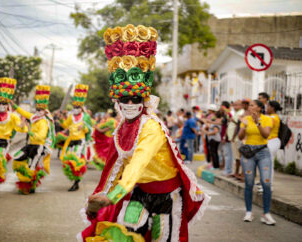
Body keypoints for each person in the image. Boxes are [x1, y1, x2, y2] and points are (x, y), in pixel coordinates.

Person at [78, 24, 209, 242]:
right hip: (138, 193)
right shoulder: (122, 127)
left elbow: (138, 164)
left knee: (162, 238)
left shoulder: (151, 127)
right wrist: (103, 194)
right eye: (125, 100)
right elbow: (118, 165)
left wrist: (112, 196)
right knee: (126, 233)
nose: (130, 104)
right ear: (117, 102)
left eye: (135, 99)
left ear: (144, 100)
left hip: (166, 196)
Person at [11, 85, 55, 195]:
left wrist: (29, 132)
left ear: (45, 111)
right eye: (38, 109)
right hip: (31, 145)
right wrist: (14, 105)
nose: (39, 111)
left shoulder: (44, 122)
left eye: (41, 109)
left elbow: (41, 136)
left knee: (32, 166)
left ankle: (30, 186)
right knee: (17, 157)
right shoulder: (34, 118)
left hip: (39, 147)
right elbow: (23, 113)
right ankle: (28, 182)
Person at [238, 100, 276, 225]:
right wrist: (243, 126)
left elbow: (266, 135)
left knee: (266, 182)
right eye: (249, 105)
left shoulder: (267, 119)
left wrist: (257, 122)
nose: (250, 107)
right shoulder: (246, 119)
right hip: (248, 152)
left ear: (259, 108)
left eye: (252, 105)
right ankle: (248, 212)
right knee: (249, 183)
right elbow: (240, 137)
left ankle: (266, 214)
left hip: (263, 152)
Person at [59, 84, 92, 191]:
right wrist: (60, 120)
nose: (75, 109)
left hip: (80, 141)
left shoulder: (85, 116)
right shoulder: (71, 116)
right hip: (71, 141)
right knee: (68, 161)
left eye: (77, 107)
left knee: (76, 162)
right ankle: (75, 180)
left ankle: (76, 183)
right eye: (74, 107)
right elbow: (65, 125)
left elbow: (90, 130)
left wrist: (84, 127)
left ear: (81, 107)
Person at [267, 101, 282, 183]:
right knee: (267, 164)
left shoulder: (273, 118)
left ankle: (268, 184)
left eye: (268, 106)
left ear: (272, 108)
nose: (266, 108)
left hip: (272, 141)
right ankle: (266, 183)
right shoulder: (271, 117)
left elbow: (267, 126)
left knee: (268, 164)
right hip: (270, 141)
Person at [229, 100, 245, 178]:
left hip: (238, 138)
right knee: (236, 157)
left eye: (236, 105)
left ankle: (239, 173)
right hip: (235, 138)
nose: (234, 107)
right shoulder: (237, 113)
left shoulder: (241, 113)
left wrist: (233, 137)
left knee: (239, 157)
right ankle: (236, 172)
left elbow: (237, 126)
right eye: (234, 105)